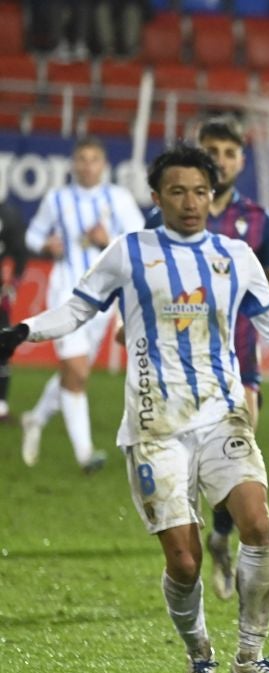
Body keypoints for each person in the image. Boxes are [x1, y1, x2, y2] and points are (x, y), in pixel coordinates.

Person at [0, 144, 269, 673]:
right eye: (178, 192)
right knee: (184, 561)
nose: (190, 202)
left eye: (200, 192)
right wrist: (24, 332)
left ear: (213, 195)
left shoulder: (236, 256)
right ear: (156, 197)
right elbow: (78, 309)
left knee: (258, 524)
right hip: (154, 426)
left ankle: (250, 657)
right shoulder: (129, 252)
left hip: (222, 415)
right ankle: (200, 654)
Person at [145, 117, 269, 602]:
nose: (220, 159)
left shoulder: (257, 219)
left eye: (229, 152)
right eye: (211, 149)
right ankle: (193, 542)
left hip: (238, 356)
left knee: (242, 443)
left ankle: (220, 533)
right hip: (177, 364)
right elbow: (142, 276)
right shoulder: (167, 214)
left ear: (241, 160)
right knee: (185, 463)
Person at [21, 136, 145, 474]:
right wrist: (46, 245)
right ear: (73, 164)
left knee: (74, 373)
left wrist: (109, 241)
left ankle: (35, 418)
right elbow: (32, 235)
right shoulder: (57, 199)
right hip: (66, 293)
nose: (87, 166)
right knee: (77, 372)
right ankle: (85, 454)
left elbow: (139, 240)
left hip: (103, 299)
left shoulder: (118, 199)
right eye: (82, 159)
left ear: (103, 164)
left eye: (93, 159)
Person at [0, 198, 30, 423]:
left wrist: (12, 285)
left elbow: (20, 252)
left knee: (2, 346)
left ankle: (0, 406)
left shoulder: (6, 214)